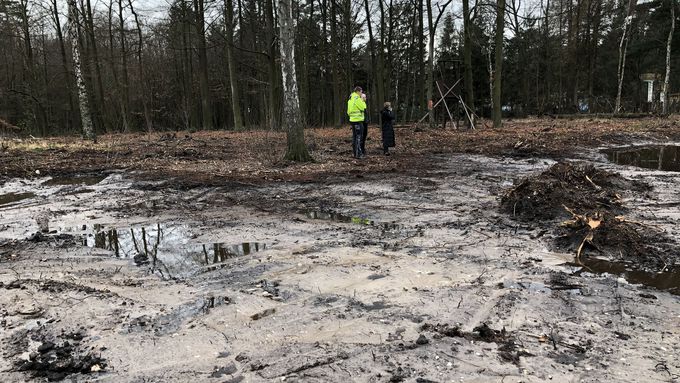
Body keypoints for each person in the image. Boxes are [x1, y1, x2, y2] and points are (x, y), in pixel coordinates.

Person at [347, 86, 366, 158]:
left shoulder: (350, 99)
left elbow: (348, 111)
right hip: (358, 120)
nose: (362, 93)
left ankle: (355, 153)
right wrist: (363, 101)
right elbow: (363, 108)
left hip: (352, 120)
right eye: (361, 91)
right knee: (358, 138)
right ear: (358, 91)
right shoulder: (357, 98)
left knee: (355, 137)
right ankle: (359, 154)